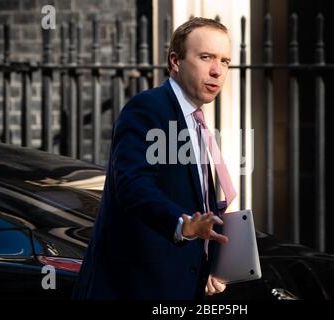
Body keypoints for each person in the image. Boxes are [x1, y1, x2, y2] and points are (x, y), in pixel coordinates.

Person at [72, 17, 235, 299]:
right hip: (135, 288)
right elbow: (132, 185)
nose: (217, 71)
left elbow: (198, 200)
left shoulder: (196, 120)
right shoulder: (148, 108)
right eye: (206, 57)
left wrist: (211, 262)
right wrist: (182, 224)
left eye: (225, 61)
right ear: (175, 61)